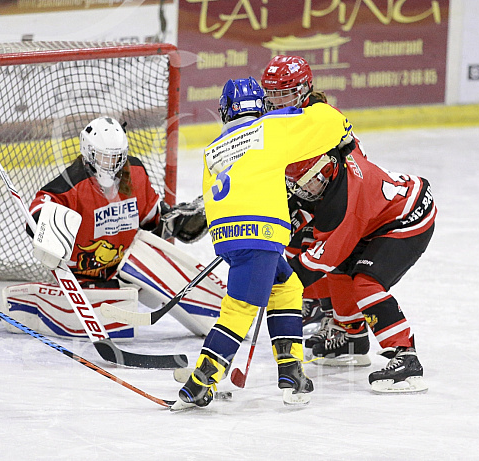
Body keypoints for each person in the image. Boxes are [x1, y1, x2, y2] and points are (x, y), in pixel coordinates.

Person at [174, 77, 353, 410]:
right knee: (239, 309)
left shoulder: (214, 148)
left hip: (229, 238)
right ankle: (199, 383)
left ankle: (292, 372)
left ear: (226, 110)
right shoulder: (269, 129)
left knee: (286, 288)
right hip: (260, 235)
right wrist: (329, 118)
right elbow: (326, 123)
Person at [263, 55, 434, 392]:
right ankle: (350, 334)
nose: (277, 102)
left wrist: (269, 283)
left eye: (286, 94)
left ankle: (404, 353)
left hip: (403, 216)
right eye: (273, 94)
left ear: (305, 89)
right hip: (361, 204)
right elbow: (307, 177)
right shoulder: (322, 167)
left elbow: (314, 263)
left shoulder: (325, 122)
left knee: (363, 281)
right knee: (313, 249)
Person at [20, 116, 215, 336]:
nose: (112, 165)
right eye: (105, 158)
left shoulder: (135, 173)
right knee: (122, 310)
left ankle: (213, 315)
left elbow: (154, 221)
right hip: (84, 279)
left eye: (117, 158)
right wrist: (44, 226)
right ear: (89, 153)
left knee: (152, 261)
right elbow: (36, 211)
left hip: (126, 271)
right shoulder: (71, 184)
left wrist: (180, 221)